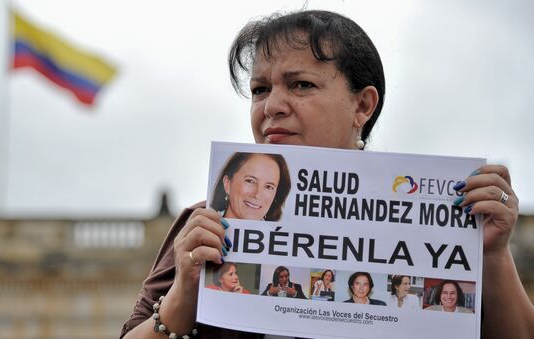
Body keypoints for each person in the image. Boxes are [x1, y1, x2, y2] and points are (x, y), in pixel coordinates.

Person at [120, 9, 533, 339]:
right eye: (260, 90)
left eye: (300, 85)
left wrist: (493, 256)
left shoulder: (451, 226)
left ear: (362, 106)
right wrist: (182, 297)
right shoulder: (205, 226)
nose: (271, 107)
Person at [210, 152, 291, 221]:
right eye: (250, 181)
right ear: (227, 183)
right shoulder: (204, 226)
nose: (257, 194)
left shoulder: (288, 238)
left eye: (269, 187)